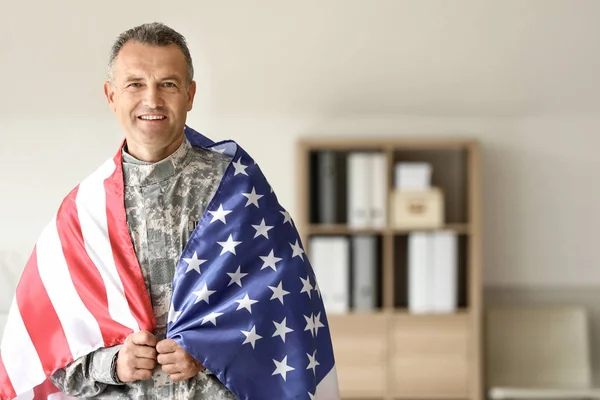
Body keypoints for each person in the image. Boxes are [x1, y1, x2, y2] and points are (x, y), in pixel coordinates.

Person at [47, 22, 237, 399]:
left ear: (190, 94)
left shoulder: (234, 190)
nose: (152, 99)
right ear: (111, 95)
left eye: (168, 84)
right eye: (135, 84)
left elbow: (286, 320)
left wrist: (209, 351)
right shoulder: (83, 213)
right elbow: (50, 355)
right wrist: (114, 363)